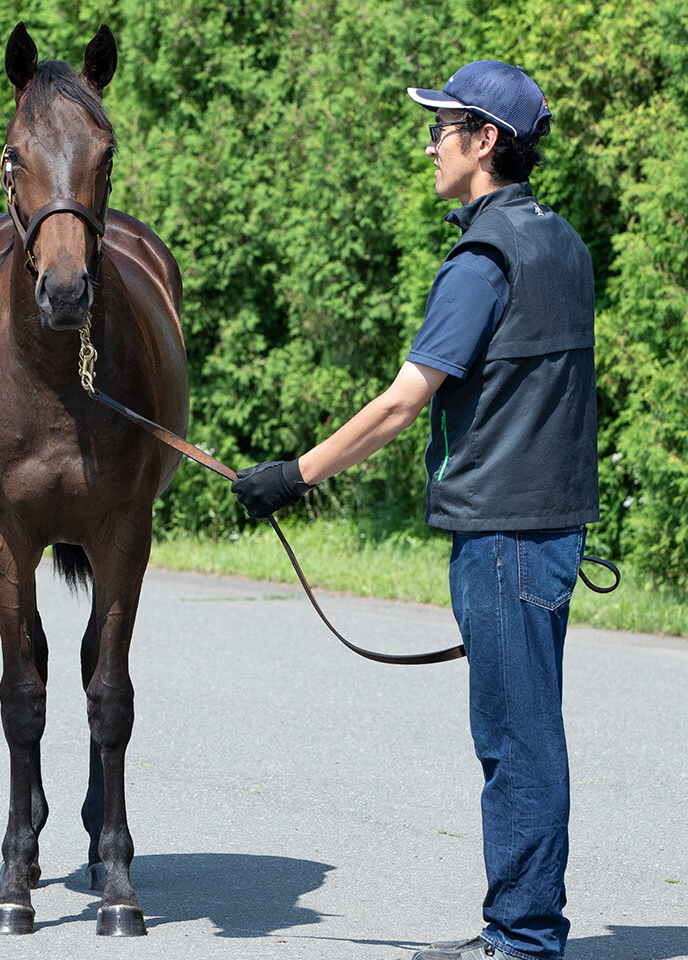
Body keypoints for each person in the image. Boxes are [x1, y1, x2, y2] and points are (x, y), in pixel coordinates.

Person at [232, 61, 598, 960]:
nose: (427, 143)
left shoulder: (481, 261)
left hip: (504, 538)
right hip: (549, 532)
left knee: (516, 746)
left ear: (484, 142)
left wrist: (294, 475)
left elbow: (404, 402)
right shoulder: (564, 243)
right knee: (529, 735)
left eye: (441, 128)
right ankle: (523, 930)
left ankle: (522, 939)